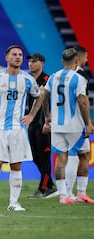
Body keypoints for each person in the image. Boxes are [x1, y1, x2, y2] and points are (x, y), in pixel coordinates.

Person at [0, 45, 43, 211]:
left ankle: (13, 203)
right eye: (14, 54)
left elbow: (39, 97)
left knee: (16, 165)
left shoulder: (28, 79)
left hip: (18, 129)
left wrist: (31, 115)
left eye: (20, 55)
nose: (18, 57)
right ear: (6, 58)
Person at [43, 47, 94, 204]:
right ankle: (77, 193)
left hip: (57, 126)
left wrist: (47, 117)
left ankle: (63, 195)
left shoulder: (53, 77)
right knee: (80, 156)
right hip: (74, 125)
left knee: (61, 159)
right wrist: (88, 123)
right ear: (77, 61)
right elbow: (82, 101)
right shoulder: (78, 78)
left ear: (62, 60)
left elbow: (44, 96)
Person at [26, 53, 58, 199]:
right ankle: (50, 185)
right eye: (30, 61)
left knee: (44, 157)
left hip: (43, 123)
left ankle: (44, 188)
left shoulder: (47, 79)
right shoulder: (29, 80)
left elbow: (47, 100)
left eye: (34, 61)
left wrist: (47, 120)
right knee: (34, 156)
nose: (30, 64)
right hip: (32, 123)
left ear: (42, 63)